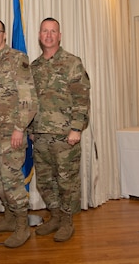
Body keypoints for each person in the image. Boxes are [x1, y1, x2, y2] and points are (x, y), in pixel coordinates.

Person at [29, 17, 90, 242]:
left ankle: (67, 222)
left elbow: (82, 98)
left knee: (67, 182)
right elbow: (30, 101)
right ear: (39, 35)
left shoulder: (72, 62)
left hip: (66, 136)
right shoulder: (34, 67)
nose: (48, 35)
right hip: (41, 135)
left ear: (60, 35)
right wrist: (31, 130)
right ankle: (54, 216)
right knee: (45, 181)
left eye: (53, 31)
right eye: (45, 31)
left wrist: (76, 129)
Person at [0, 18, 38, 248]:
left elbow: (28, 99)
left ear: (4, 35)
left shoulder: (17, 59)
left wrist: (19, 128)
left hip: (11, 133)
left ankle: (22, 225)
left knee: (12, 181)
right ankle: (10, 217)